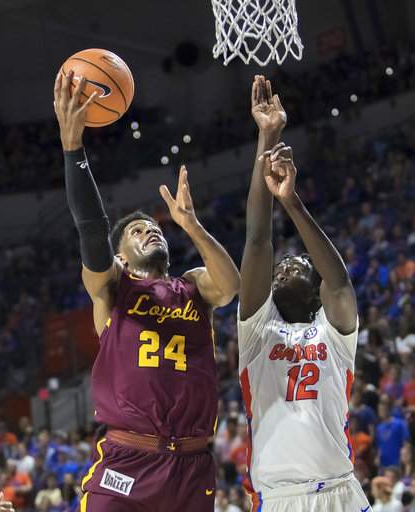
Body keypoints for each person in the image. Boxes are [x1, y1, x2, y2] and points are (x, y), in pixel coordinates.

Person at [53, 70, 240, 511]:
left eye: (154, 227)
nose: (150, 231)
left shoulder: (192, 286)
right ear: (119, 255)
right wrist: (73, 150)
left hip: (192, 463)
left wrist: (191, 226)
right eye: (137, 230)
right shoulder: (112, 288)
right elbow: (92, 230)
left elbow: (231, 286)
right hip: (127, 462)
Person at [237, 75, 371, 511]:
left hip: (339, 492)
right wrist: (267, 136)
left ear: (316, 294)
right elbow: (257, 239)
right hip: (280, 500)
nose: (284, 265)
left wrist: (293, 203)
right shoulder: (257, 333)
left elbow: (340, 283)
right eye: (282, 265)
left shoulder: (333, 334)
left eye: (298, 265)